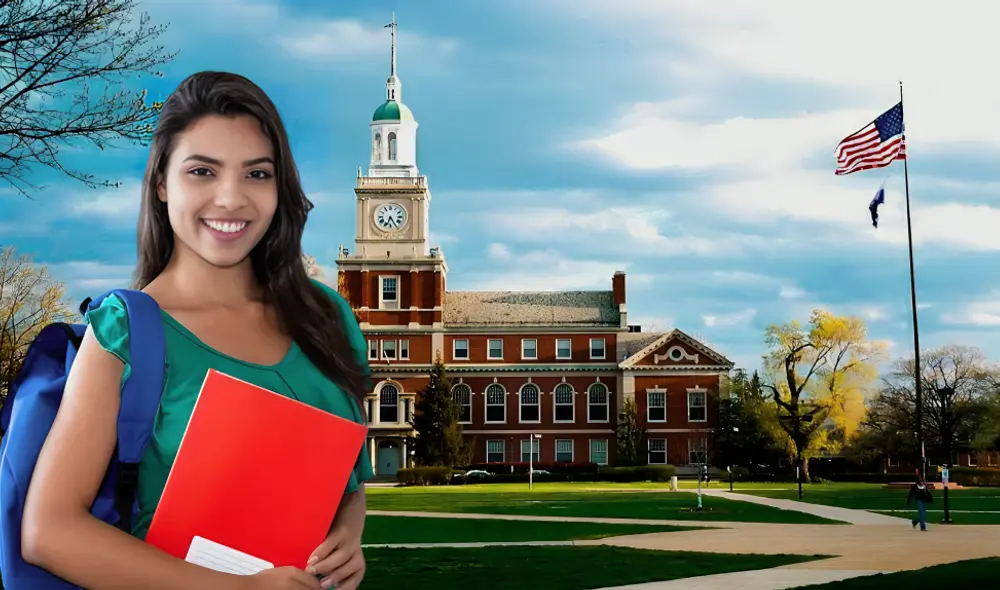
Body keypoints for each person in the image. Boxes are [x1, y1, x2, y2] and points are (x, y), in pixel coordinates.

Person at [20, 71, 374, 590]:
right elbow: (48, 532)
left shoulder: (327, 316)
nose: (230, 199)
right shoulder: (125, 332)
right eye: (203, 171)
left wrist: (347, 533)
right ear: (162, 183)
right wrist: (243, 589)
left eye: (257, 174)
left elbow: (346, 481)